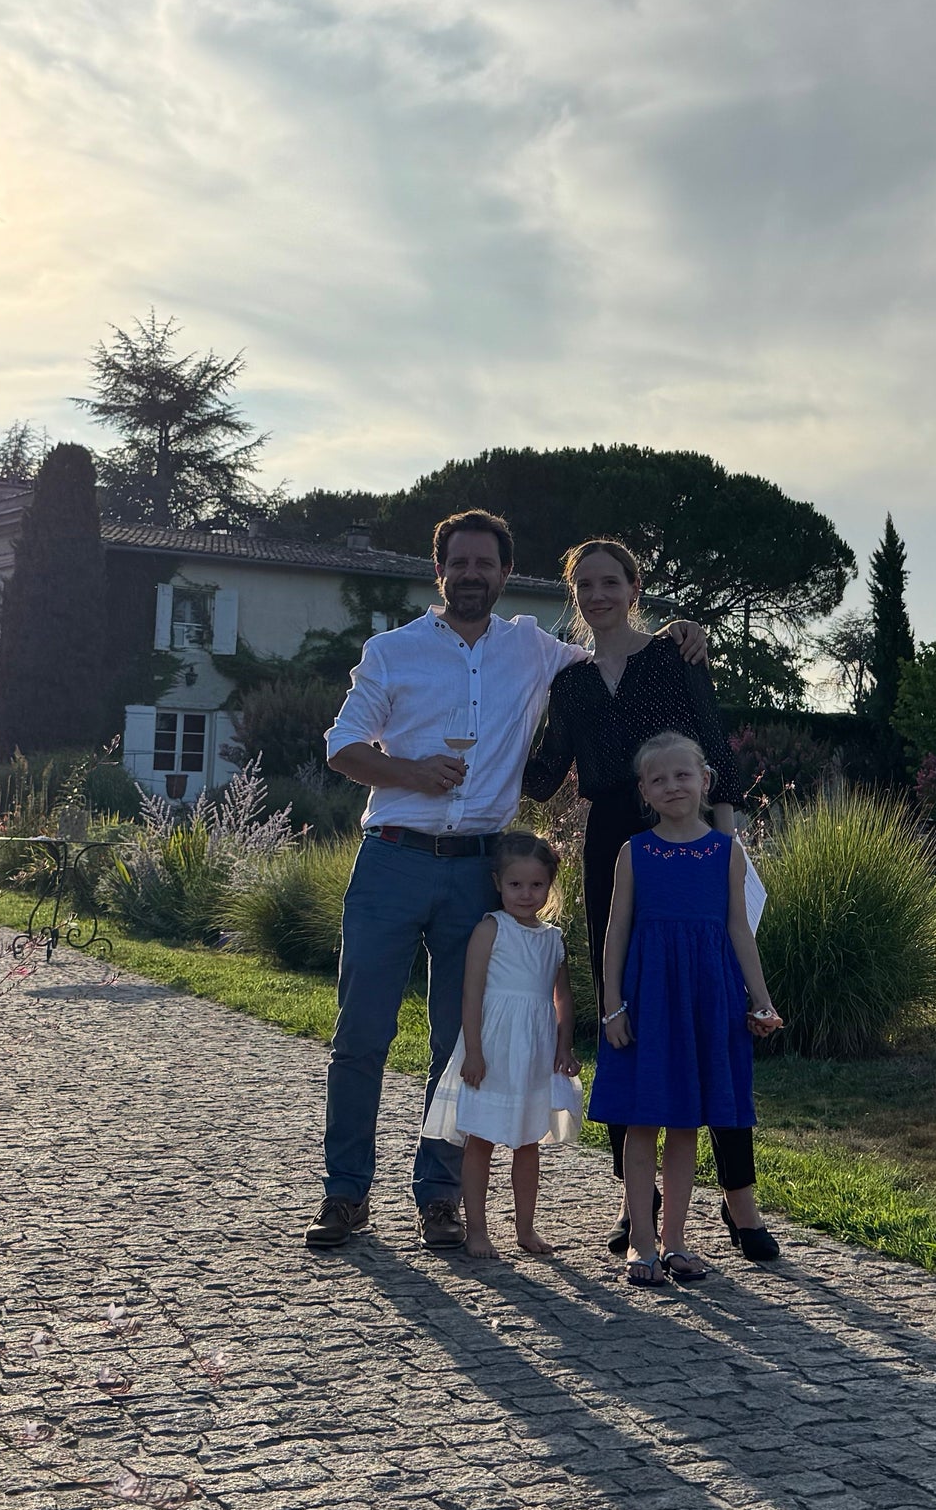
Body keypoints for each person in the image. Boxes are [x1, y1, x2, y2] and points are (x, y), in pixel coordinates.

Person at [308, 509, 706, 1252]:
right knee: (360, 1034)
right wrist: (409, 771)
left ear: (501, 573)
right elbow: (341, 746)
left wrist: (682, 631)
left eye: (484, 564)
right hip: (390, 858)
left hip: (476, 871)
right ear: (439, 571)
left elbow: (611, 647)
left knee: (458, 1043)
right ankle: (344, 1192)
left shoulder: (530, 647)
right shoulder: (391, 651)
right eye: (457, 562)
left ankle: (438, 1196)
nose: (470, 574)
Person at [523, 538, 781, 1263]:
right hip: (612, 841)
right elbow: (543, 776)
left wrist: (725, 851)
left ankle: (739, 1199)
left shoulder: (675, 655)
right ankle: (636, 1205)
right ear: (574, 595)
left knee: (714, 1012)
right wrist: (479, 739)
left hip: (692, 837)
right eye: (586, 585)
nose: (598, 595)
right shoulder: (569, 684)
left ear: (635, 587)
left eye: (611, 581)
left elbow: (716, 754)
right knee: (623, 1011)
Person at [590, 733, 783, 1287]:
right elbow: (616, 932)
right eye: (658, 779)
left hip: (707, 997)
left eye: (682, 775)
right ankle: (641, 1244)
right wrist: (612, 1007)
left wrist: (761, 1000)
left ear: (704, 781)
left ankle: (675, 1241)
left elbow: (739, 930)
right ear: (644, 792)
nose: (672, 786)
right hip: (648, 999)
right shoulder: (635, 851)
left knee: (685, 1125)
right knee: (642, 1119)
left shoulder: (727, 851)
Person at [421, 831, 581, 1259]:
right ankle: (477, 1230)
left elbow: (561, 996)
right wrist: (473, 1051)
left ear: (549, 886)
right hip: (492, 1049)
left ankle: (525, 1229)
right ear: (498, 882)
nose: (526, 894)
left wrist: (564, 1045)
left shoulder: (552, 938)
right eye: (516, 885)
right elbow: (471, 993)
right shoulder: (490, 929)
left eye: (536, 885)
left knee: (528, 1142)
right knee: (482, 1139)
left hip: (533, 1052)